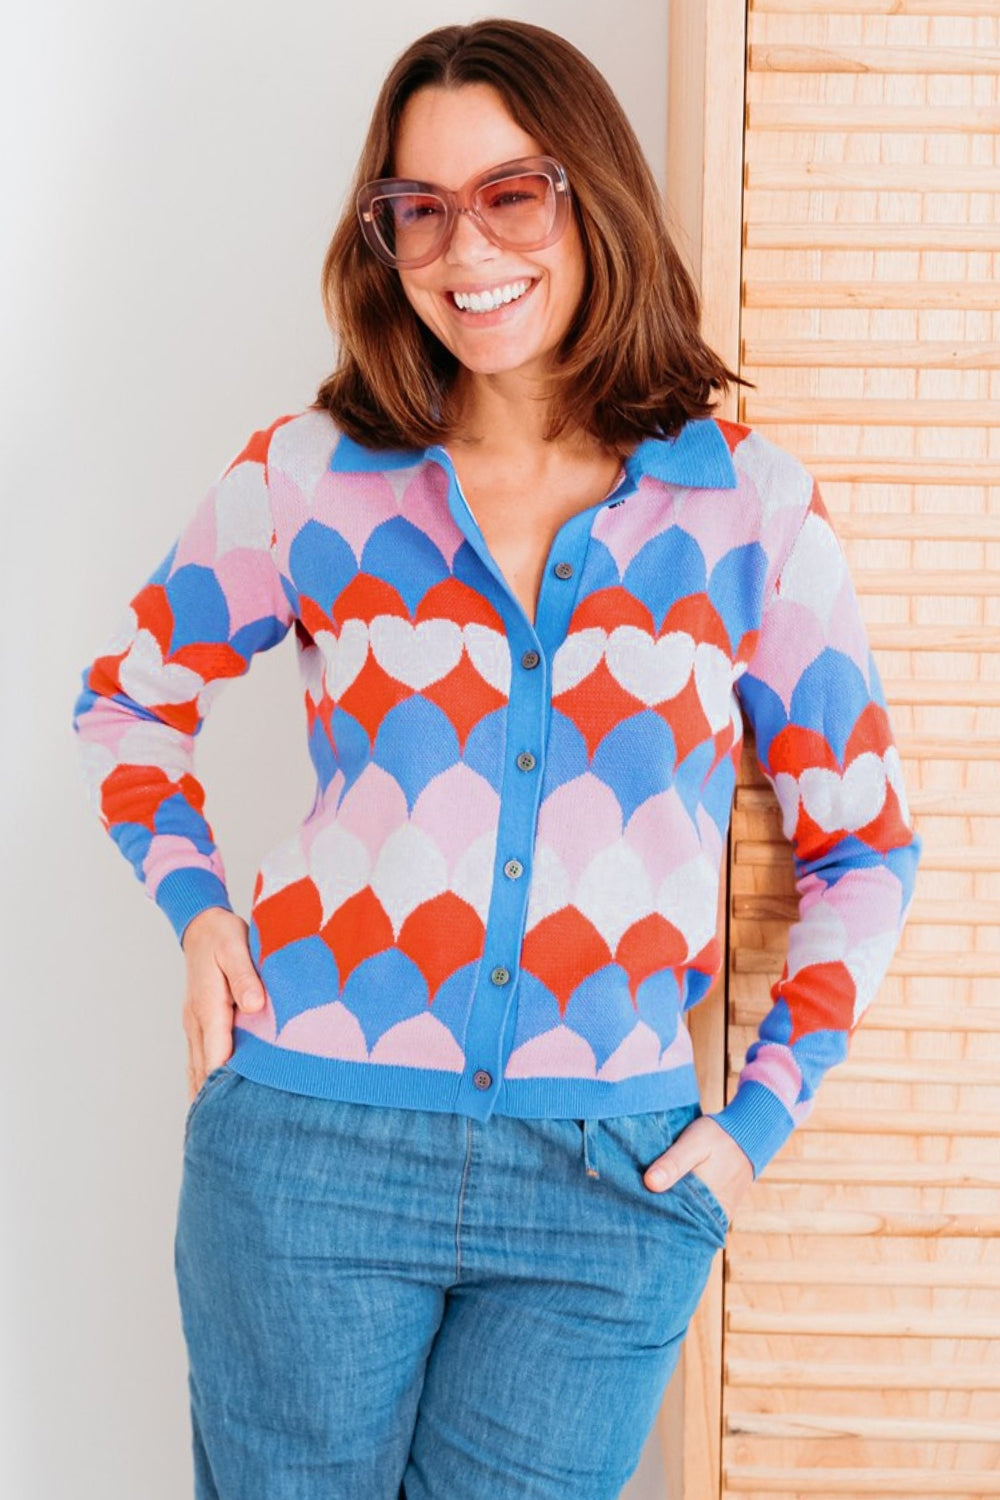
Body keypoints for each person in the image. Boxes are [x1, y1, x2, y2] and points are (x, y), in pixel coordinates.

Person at [71, 18, 922, 1500]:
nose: (469, 249)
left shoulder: (748, 513)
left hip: (610, 1189)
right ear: (385, 237)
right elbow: (129, 701)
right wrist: (198, 909)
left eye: (512, 194)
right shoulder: (311, 477)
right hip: (310, 1156)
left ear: (591, 193)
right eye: (421, 209)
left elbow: (865, 846)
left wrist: (755, 1125)